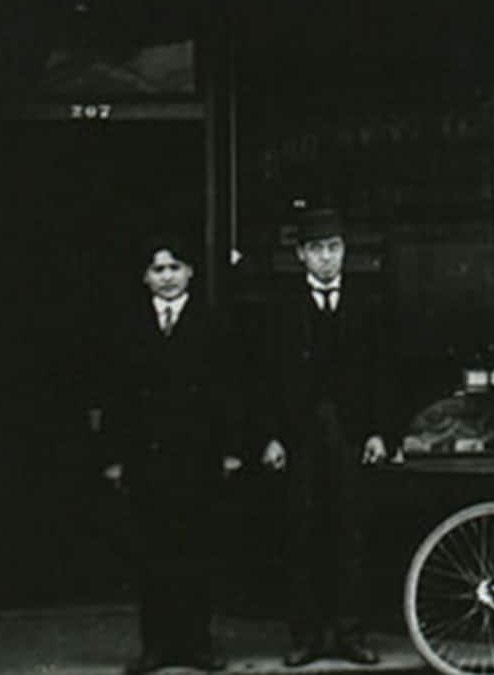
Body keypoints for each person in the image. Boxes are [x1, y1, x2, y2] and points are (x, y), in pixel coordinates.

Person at [103, 237, 240, 675]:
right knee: (152, 552)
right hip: (147, 458)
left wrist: (231, 450)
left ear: (190, 274)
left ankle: (197, 644)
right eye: (158, 269)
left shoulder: (213, 323)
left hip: (197, 456)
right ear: (146, 277)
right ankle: (156, 645)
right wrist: (115, 457)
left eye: (175, 268)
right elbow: (116, 397)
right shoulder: (128, 326)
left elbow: (229, 392)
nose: (166, 277)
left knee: (196, 549)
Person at [260, 208, 388, 667]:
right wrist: (272, 437)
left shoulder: (368, 301)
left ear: (345, 251)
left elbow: (383, 372)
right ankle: (307, 636)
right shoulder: (281, 307)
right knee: (302, 533)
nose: (326, 259)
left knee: (350, 535)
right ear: (300, 255)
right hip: (300, 437)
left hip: (350, 434)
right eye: (316, 249)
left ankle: (351, 634)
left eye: (334, 248)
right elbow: (266, 378)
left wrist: (379, 432)